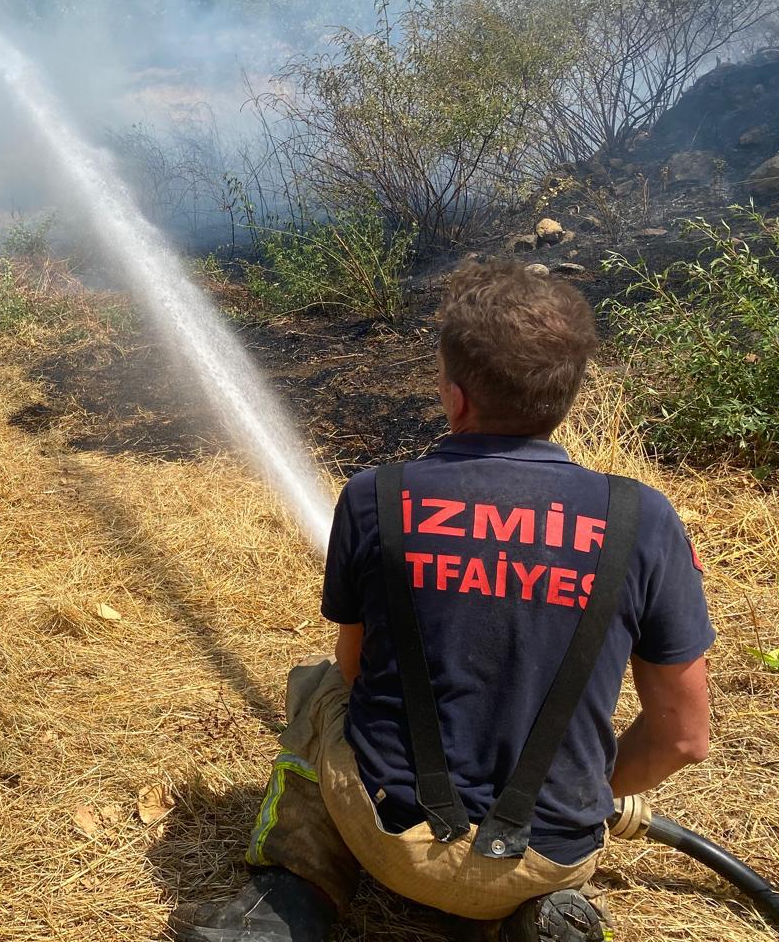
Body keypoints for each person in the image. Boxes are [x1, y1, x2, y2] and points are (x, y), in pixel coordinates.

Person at [168, 263, 714, 942]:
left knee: (316, 687)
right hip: (547, 859)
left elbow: (353, 671)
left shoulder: (376, 497)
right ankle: (542, 918)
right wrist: (589, 797)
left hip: (390, 842)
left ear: (455, 399)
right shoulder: (644, 520)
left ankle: (292, 891)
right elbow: (686, 737)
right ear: (566, 398)